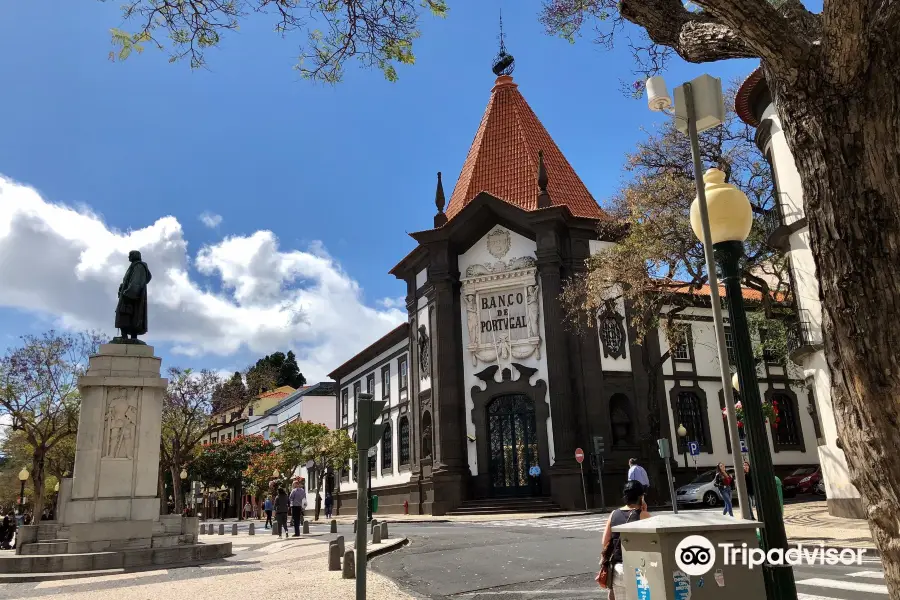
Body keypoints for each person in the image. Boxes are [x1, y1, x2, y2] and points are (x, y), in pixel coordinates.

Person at [600, 481, 651, 599]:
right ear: (641, 497)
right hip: (639, 569)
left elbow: (605, 541)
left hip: (619, 569)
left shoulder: (614, 514)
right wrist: (645, 510)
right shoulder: (643, 515)